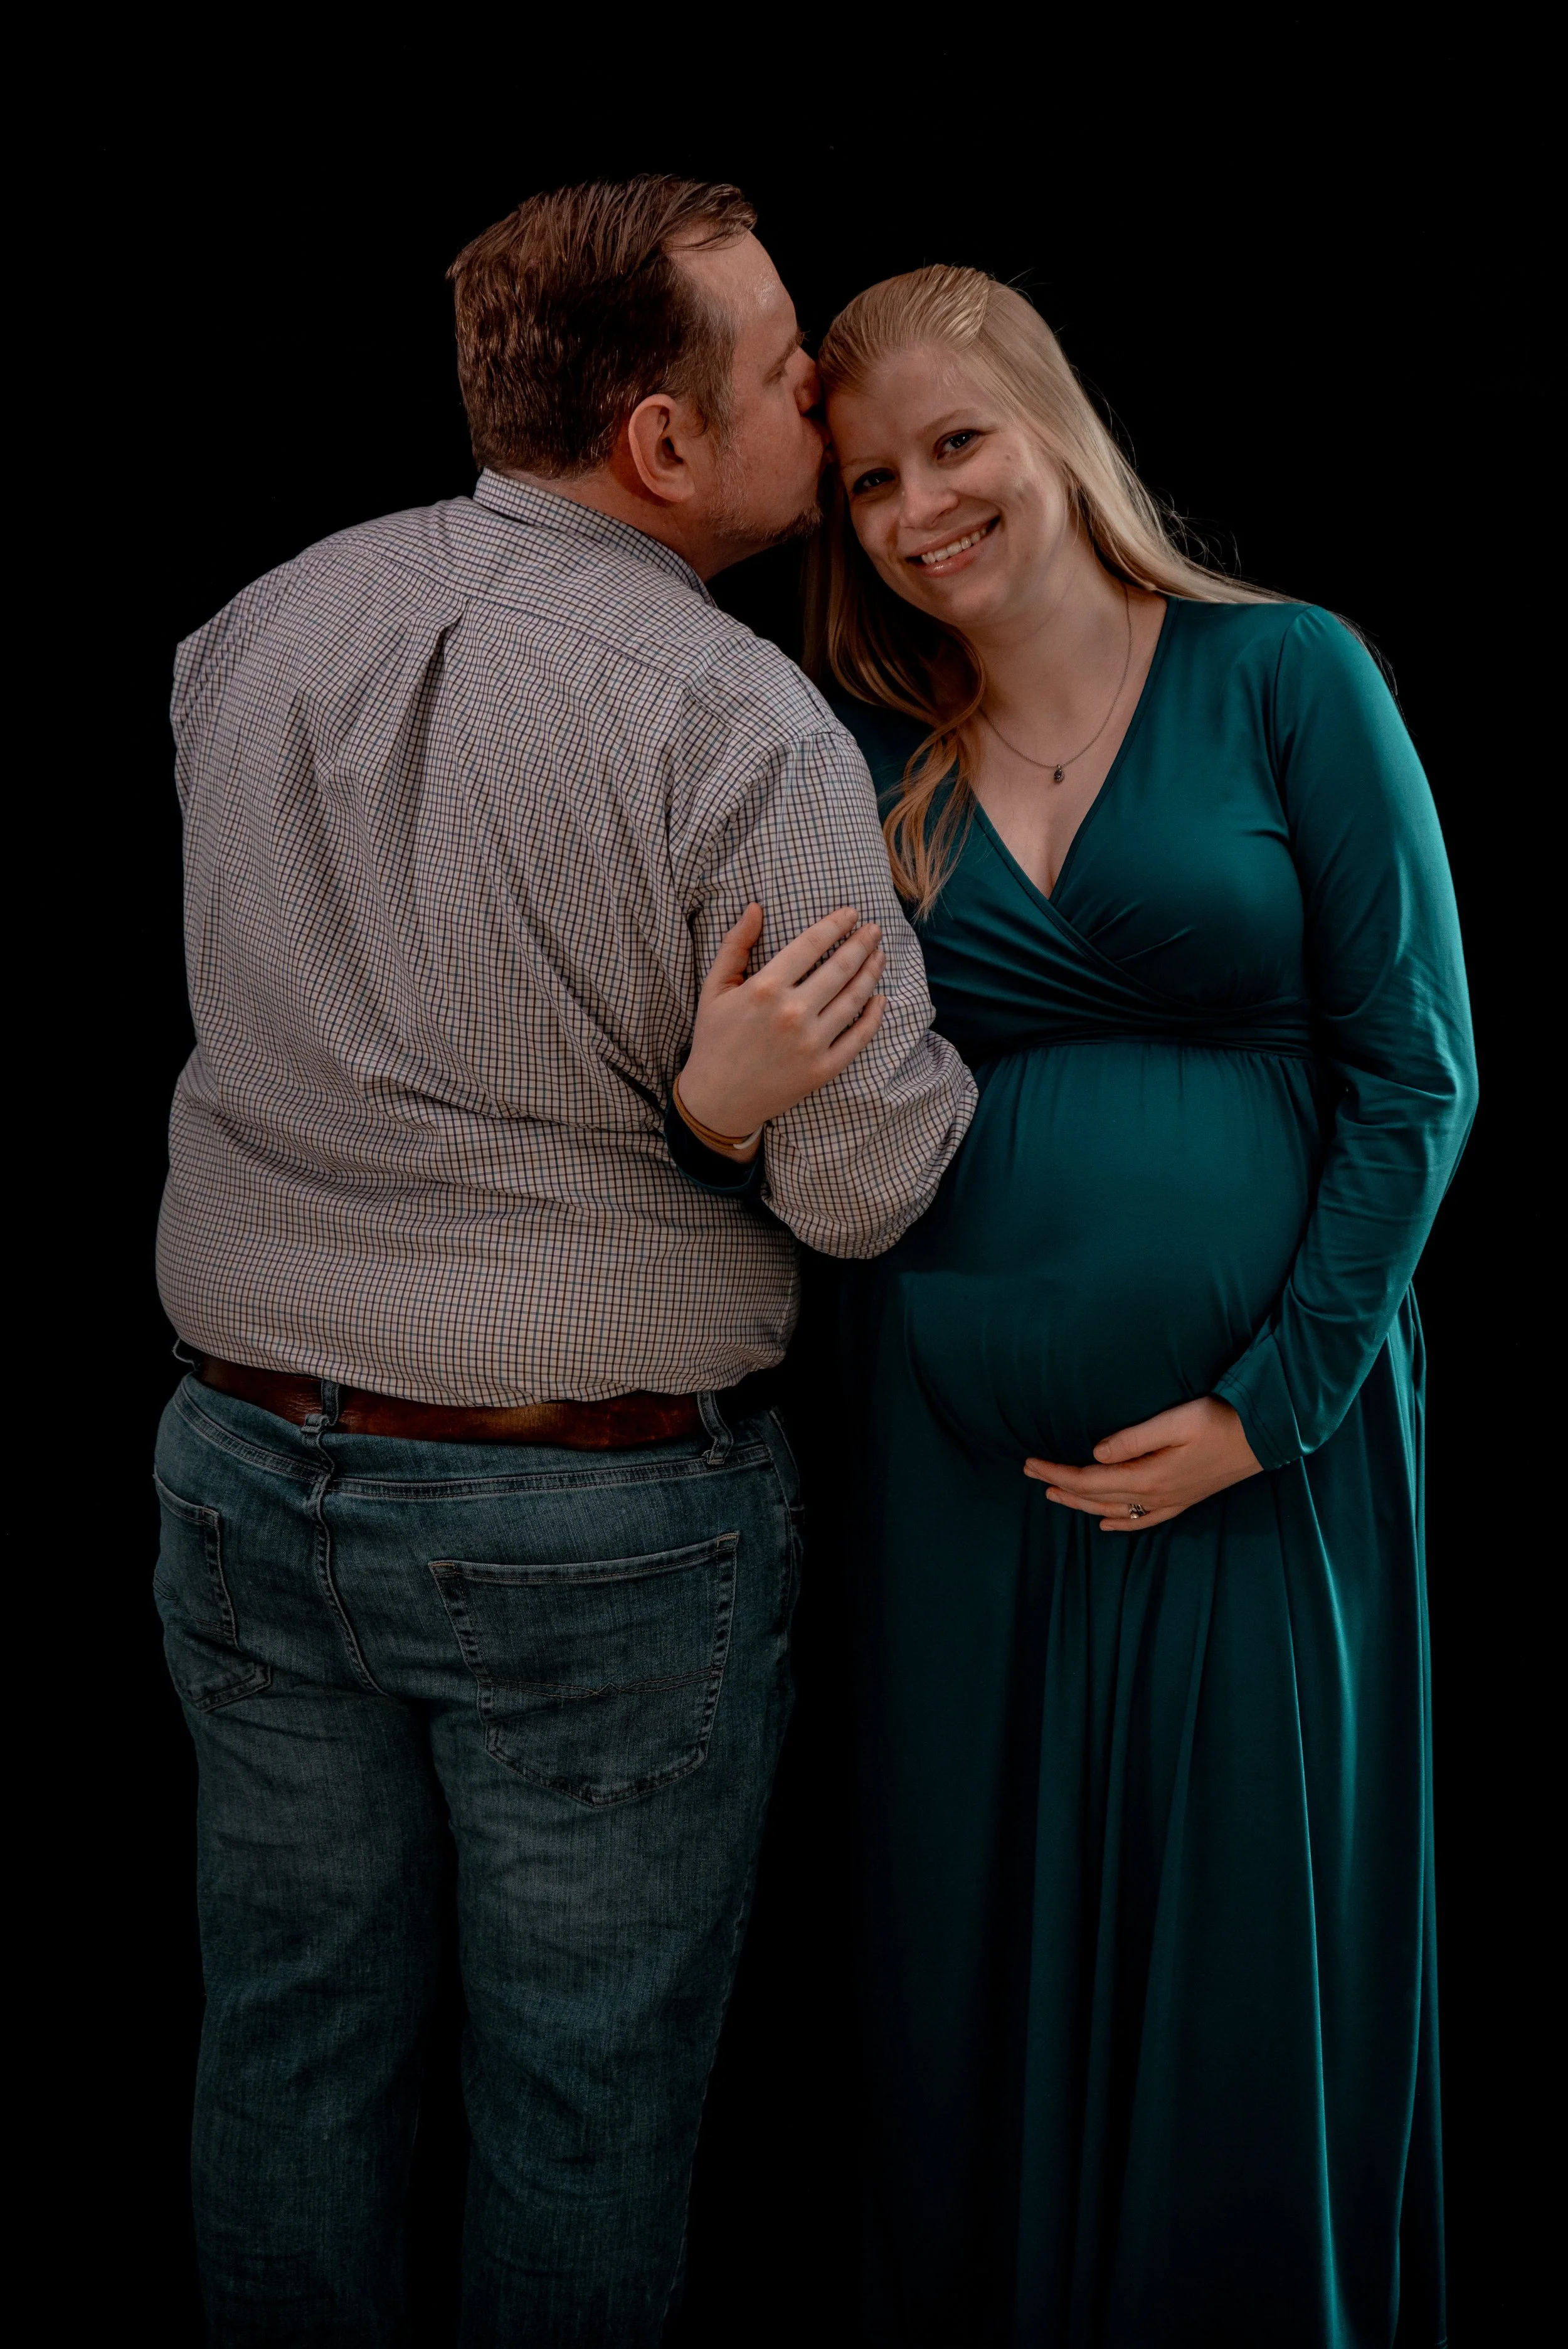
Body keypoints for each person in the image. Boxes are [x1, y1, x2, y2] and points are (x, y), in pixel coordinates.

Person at [152, 179, 973, 2345]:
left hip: (240, 1470)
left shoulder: (251, 626)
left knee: (289, 2056)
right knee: (585, 2106)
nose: (820, 383)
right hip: (585, 1526)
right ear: (663, 446)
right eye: (782, 355)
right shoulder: (741, 728)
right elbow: (870, 1189)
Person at [672, 266, 1476, 2345]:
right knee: (965, 1940)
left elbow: (1418, 1070)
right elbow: (779, 1079)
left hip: (1256, 1443)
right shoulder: (851, 750)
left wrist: (1269, 1403)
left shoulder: (1285, 674)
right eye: (867, 480)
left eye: (957, 444)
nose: (919, 504)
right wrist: (717, 1096)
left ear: (1054, 432)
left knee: (1238, 1932)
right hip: (949, 1464)